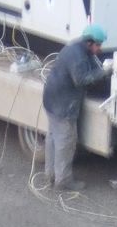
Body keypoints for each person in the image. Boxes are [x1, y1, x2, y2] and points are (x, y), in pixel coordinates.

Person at [41, 24, 111, 193]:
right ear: (89, 43)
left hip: (52, 98)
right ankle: (63, 181)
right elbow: (81, 79)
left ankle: (50, 175)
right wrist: (105, 72)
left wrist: (99, 69)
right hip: (63, 105)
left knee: (53, 138)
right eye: (98, 45)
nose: (100, 49)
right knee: (66, 142)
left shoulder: (75, 47)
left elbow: (90, 67)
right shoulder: (78, 57)